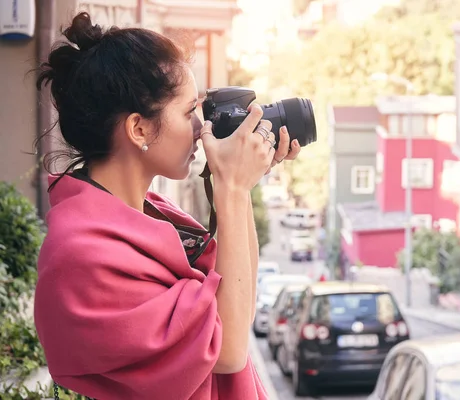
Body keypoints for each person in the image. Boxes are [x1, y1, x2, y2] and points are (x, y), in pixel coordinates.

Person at [33, 12, 301, 400]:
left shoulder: (150, 213)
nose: (202, 128)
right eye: (190, 111)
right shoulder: (81, 254)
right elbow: (226, 351)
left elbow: (238, 301)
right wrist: (233, 188)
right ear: (139, 128)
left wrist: (241, 184)